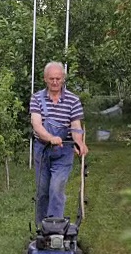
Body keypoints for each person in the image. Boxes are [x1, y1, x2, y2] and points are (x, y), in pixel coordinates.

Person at [29, 61, 89, 228]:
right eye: (51, 79)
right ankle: (42, 228)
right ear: (45, 80)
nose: (55, 82)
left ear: (63, 79)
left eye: (58, 78)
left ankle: (54, 227)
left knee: (56, 189)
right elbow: (37, 124)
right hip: (42, 150)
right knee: (42, 192)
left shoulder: (73, 100)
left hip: (64, 152)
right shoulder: (37, 99)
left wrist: (79, 144)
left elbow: (76, 127)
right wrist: (50, 137)